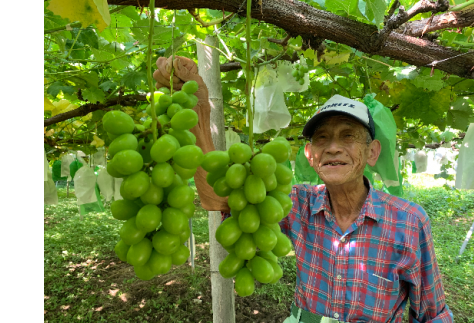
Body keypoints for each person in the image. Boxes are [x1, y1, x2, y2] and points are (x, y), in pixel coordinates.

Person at [154, 55, 454, 323]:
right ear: (310, 156)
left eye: (348, 136)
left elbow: (433, 314)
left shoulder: (409, 221)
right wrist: (199, 112)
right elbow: (218, 198)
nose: (333, 148)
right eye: (322, 138)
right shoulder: (297, 203)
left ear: (373, 152)